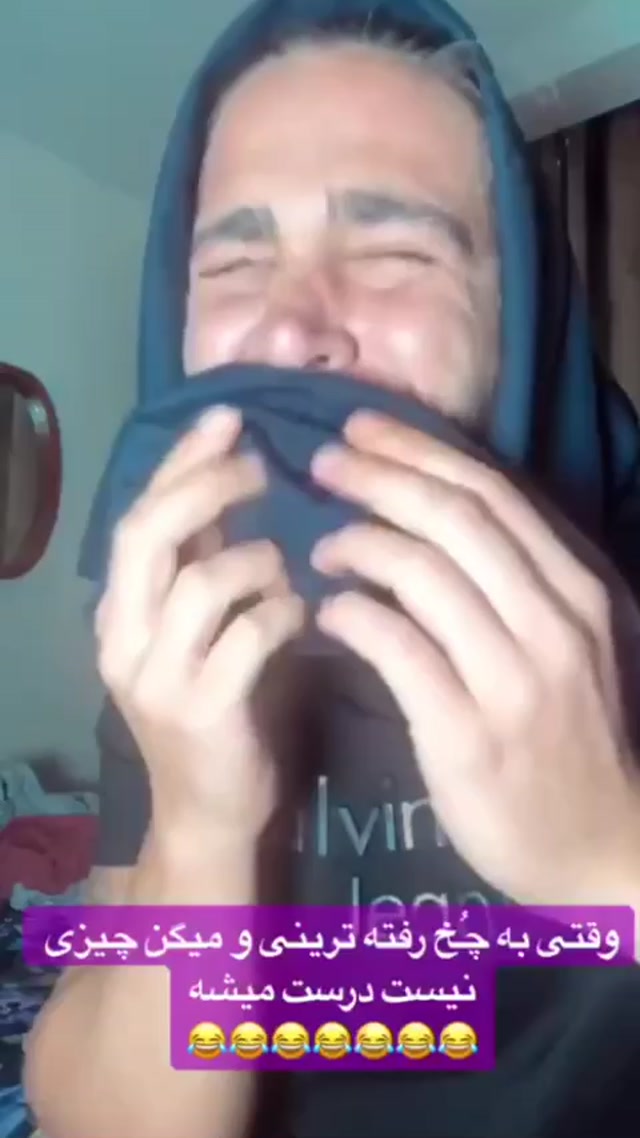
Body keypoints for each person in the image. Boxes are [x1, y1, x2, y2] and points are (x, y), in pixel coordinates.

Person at [23, 0, 640, 1136]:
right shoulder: (190, 625)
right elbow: (88, 1114)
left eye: (395, 253)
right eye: (235, 261)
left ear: (520, 320)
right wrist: (199, 829)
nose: (292, 331)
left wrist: (613, 863)